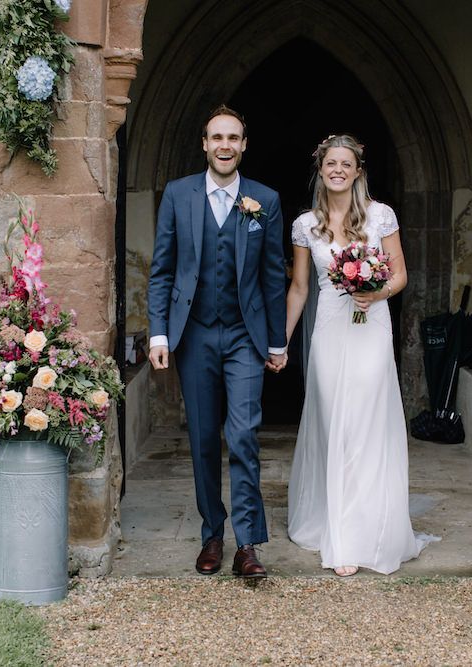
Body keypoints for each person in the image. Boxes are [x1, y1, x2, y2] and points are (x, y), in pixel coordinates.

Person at [147, 105, 287, 578]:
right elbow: (162, 270)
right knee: (205, 440)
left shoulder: (264, 199)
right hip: (195, 336)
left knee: (244, 435)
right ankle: (212, 532)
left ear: (244, 145)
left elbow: (273, 277)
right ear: (204, 144)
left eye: (233, 138)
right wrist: (159, 332)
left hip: (246, 338)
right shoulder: (178, 194)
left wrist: (277, 341)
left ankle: (247, 544)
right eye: (216, 138)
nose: (225, 145)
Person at [285, 134, 435, 576]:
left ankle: (364, 532)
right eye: (330, 163)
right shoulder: (304, 225)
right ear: (321, 169)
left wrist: (376, 291)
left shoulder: (381, 216)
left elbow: (401, 274)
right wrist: (284, 340)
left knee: (367, 422)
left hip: (371, 328)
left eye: (345, 164)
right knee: (336, 424)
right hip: (330, 332)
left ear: (357, 171)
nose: (337, 170)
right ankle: (338, 526)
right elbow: (299, 288)